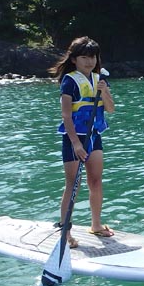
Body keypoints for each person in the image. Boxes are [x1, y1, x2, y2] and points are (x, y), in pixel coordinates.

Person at [49, 37, 116, 247]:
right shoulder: (69, 80)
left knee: (95, 181)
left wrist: (104, 91)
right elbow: (66, 116)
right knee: (73, 186)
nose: (89, 62)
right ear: (75, 59)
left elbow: (110, 108)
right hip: (74, 139)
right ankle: (65, 232)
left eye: (93, 57)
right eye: (84, 57)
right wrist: (76, 144)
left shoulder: (99, 80)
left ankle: (95, 224)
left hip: (94, 136)